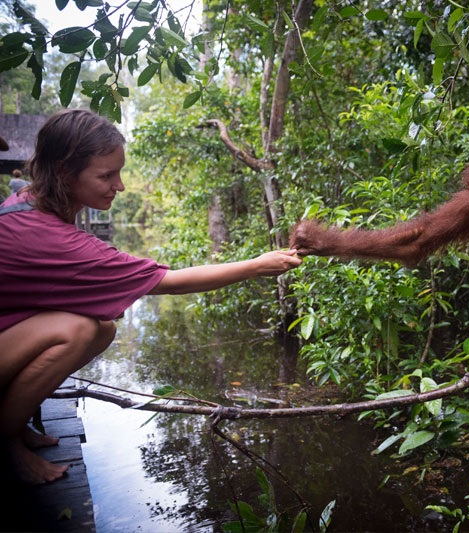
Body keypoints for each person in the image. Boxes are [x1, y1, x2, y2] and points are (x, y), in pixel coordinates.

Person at [0, 109, 302, 485]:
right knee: (78, 330)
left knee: (103, 328)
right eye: (106, 175)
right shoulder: (50, 236)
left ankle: (15, 418)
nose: (120, 186)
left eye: (119, 172)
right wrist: (257, 265)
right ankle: (6, 437)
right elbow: (169, 281)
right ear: (64, 171)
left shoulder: (31, 201)